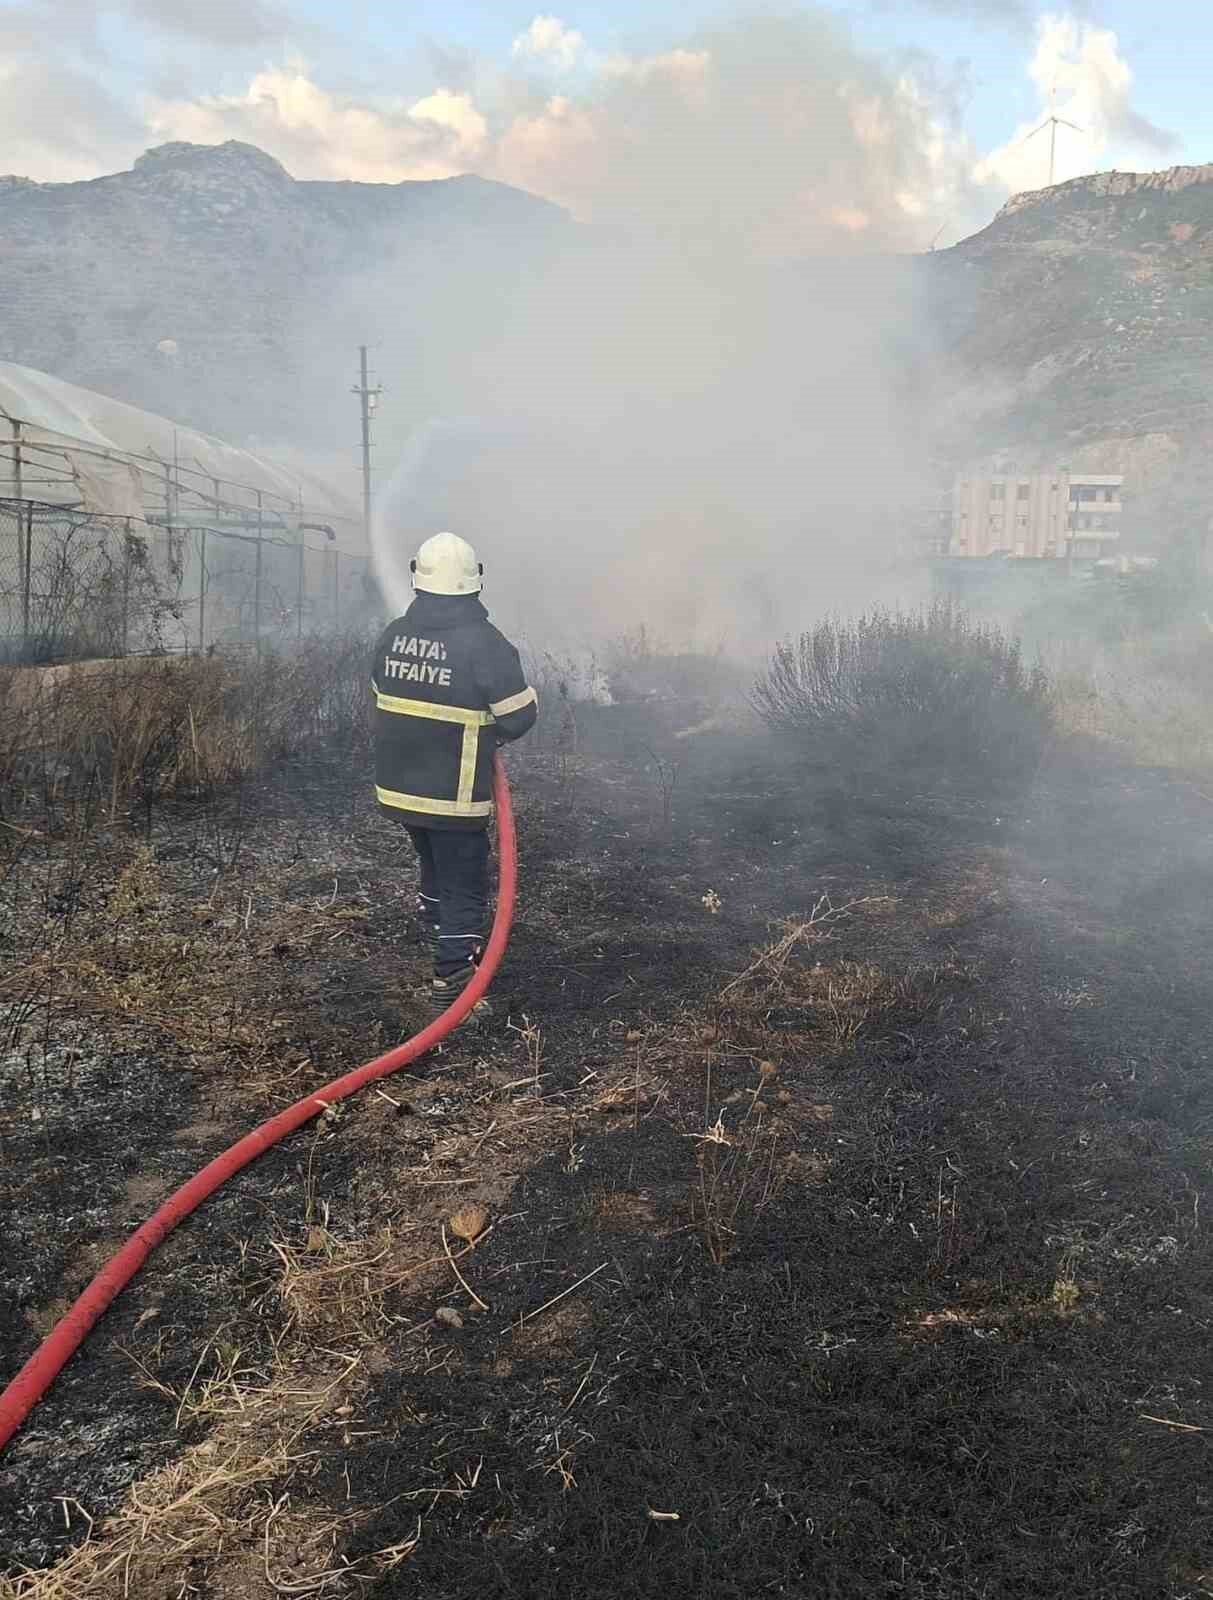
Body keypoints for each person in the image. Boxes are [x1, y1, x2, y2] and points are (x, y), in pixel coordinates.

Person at [370, 532, 537, 1017]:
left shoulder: (394, 633)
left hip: (400, 788)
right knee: (464, 880)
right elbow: (518, 716)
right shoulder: (484, 643)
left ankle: (435, 923)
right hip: (453, 793)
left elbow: (383, 689)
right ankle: (454, 983)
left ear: (418, 579)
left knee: (433, 861)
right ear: (474, 582)